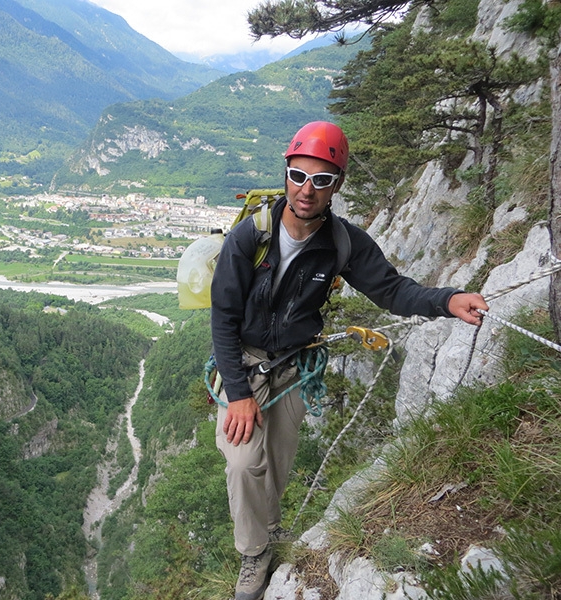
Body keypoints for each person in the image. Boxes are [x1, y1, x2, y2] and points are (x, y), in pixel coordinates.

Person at [209, 121, 488, 600]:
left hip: (296, 363)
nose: (306, 190)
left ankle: (268, 533)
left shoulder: (342, 243)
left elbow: (392, 288)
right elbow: (223, 317)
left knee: (274, 465)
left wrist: (447, 300)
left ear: (336, 185)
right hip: (245, 362)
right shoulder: (249, 238)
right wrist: (237, 395)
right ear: (286, 174)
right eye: (298, 175)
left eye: (321, 180)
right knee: (241, 461)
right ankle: (255, 554)